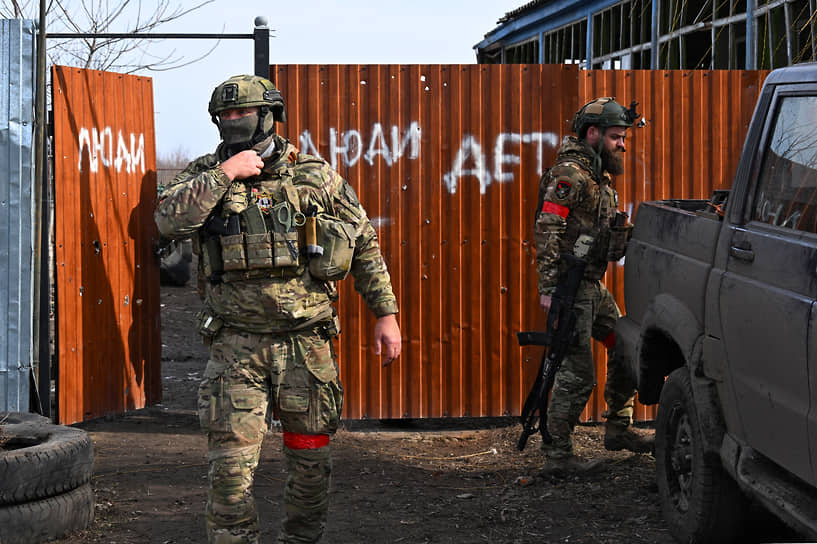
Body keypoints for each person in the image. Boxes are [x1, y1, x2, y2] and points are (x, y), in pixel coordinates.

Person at [155, 74, 401, 543]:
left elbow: (364, 243)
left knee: (311, 468)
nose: (232, 121)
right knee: (229, 475)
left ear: (268, 115)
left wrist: (385, 315)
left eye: (240, 113)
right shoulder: (205, 174)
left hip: (305, 347)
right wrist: (226, 174)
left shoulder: (315, 175)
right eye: (224, 115)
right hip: (235, 348)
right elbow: (167, 220)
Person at [534, 97, 652, 473]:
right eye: (617, 137)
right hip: (571, 289)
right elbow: (548, 228)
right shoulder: (570, 175)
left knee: (625, 346)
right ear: (593, 134)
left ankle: (618, 428)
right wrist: (549, 289)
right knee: (577, 372)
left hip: (592, 287)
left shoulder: (597, 175)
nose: (623, 144)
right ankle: (558, 456)